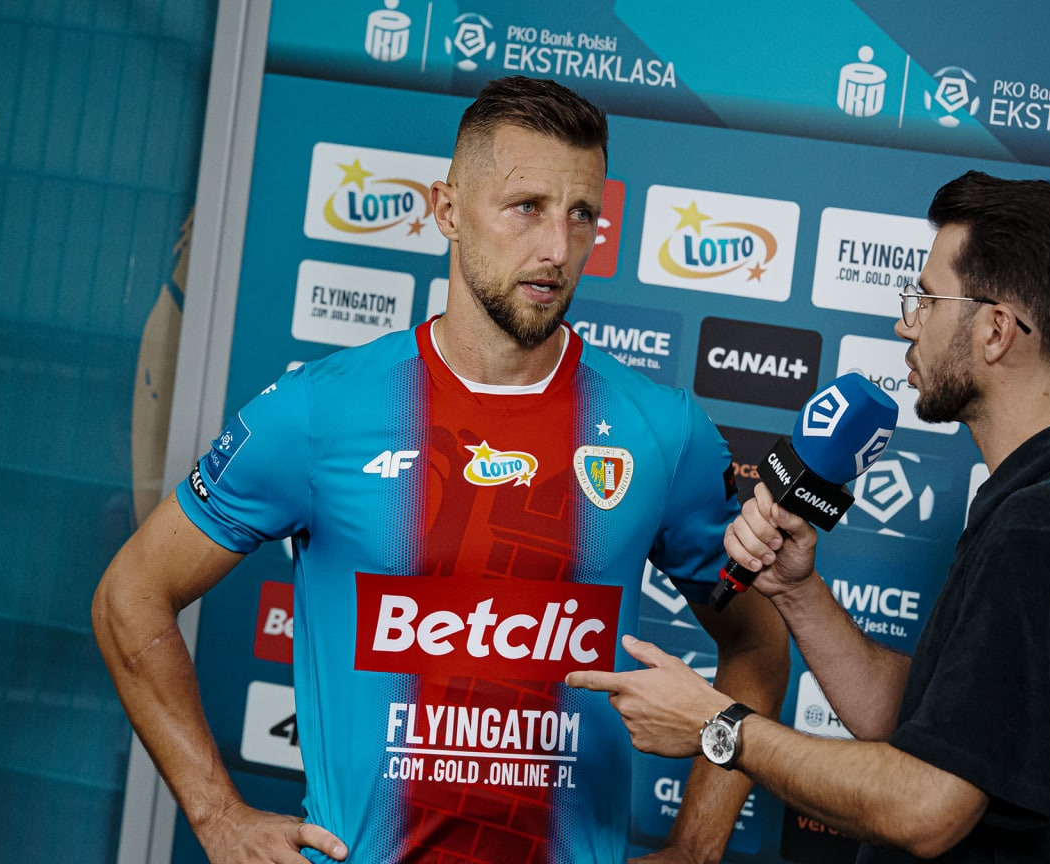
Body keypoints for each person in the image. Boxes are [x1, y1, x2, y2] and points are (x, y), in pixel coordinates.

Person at [92, 76, 788, 864]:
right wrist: (217, 815)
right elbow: (130, 596)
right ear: (448, 210)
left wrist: (696, 848)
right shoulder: (319, 413)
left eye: (581, 214)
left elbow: (759, 646)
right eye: (526, 207)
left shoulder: (661, 430)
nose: (557, 249)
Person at [568, 171, 1050, 862]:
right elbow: (931, 727)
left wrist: (720, 725)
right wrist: (798, 592)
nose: (905, 324)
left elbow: (926, 806)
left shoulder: (1049, 527)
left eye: (926, 299)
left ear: (996, 331)